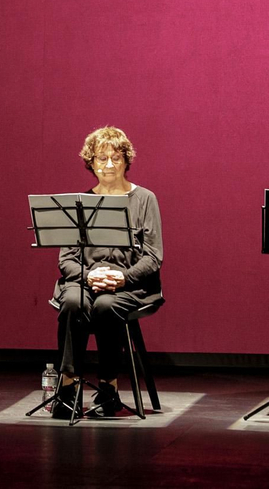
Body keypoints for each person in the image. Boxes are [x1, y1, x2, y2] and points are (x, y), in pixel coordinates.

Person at [49, 125, 163, 418]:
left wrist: (122, 277)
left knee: (106, 305)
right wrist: (88, 276)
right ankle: (68, 387)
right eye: (102, 158)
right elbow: (67, 260)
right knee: (74, 302)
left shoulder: (145, 199)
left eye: (116, 158)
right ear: (91, 163)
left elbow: (153, 257)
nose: (109, 165)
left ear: (127, 161)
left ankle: (108, 387)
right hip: (84, 279)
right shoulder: (79, 203)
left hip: (129, 284)